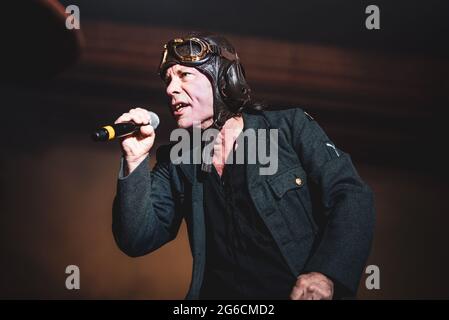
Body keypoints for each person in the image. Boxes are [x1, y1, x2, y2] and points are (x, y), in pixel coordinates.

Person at [112, 33, 375, 300]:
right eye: (167, 80)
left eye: (184, 75)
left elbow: (351, 195)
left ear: (227, 81)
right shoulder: (178, 159)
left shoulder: (290, 128)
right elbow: (136, 239)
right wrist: (134, 159)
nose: (170, 88)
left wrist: (326, 273)